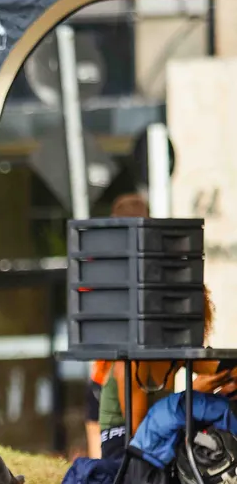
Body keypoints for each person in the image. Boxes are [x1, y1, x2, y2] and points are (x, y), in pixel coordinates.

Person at [99, 287, 216, 459]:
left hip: (162, 440)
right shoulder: (132, 363)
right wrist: (190, 399)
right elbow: (140, 435)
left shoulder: (176, 353)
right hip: (126, 449)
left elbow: (219, 369)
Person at [84, 193, 150, 458]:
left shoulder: (98, 259)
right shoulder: (153, 258)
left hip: (106, 367)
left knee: (98, 430)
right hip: (151, 369)